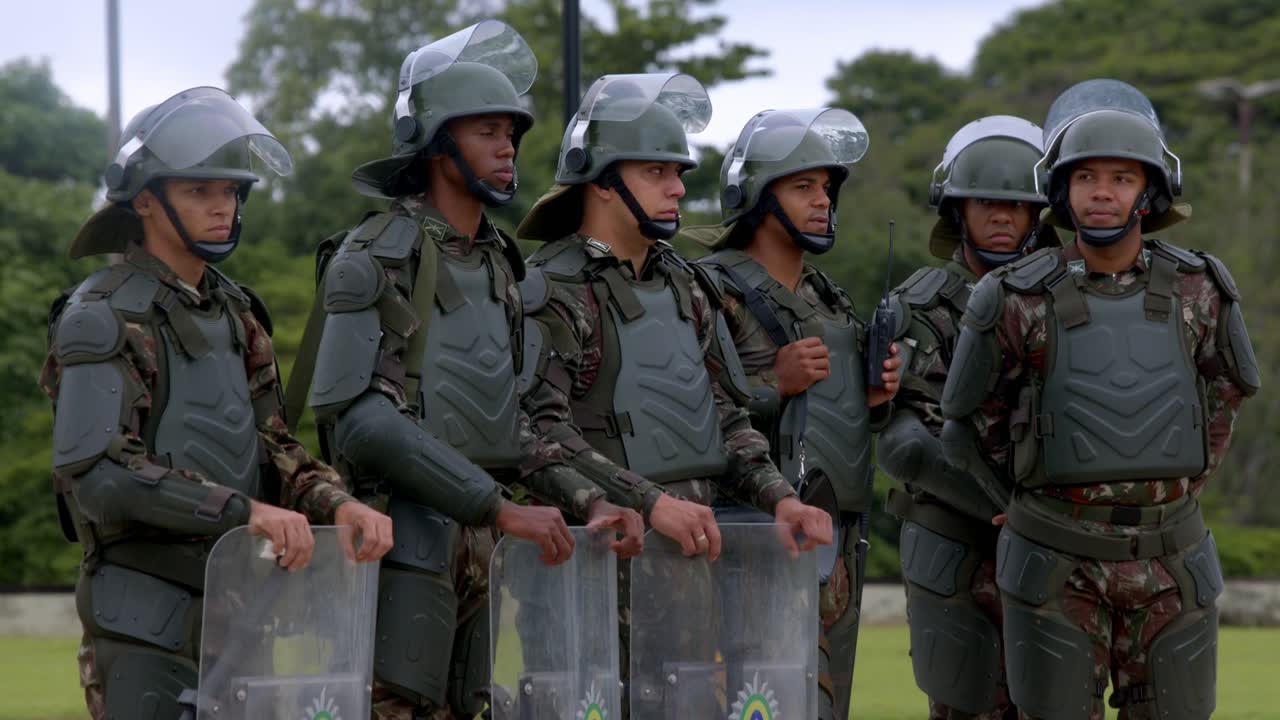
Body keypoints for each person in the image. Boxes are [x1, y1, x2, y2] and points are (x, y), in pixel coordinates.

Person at [291, 21, 642, 720]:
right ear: (437, 144)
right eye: (487, 131)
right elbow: (357, 421)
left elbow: (517, 429)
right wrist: (498, 506)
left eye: (512, 132)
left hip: (482, 555)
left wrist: (587, 501)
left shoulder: (500, 265)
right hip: (395, 552)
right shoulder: (374, 256)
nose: (508, 147)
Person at [40, 86, 393, 720]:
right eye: (198, 191)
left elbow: (273, 444)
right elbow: (98, 474)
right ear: (144, 199)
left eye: (230, 191)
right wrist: (244, 510)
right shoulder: (101, 318)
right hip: (143, 616)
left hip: (243, 611)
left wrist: (336, 503)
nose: (221, 207)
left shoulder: (236, 313)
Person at [515, 73, 835, 715]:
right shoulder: (552, 289)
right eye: (658, 171)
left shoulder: (688, 288)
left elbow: (726, 416)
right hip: (592, 574)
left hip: (690, 573)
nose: (679, 187)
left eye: (679, 171)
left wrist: (781, 498)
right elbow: (537, 433)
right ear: (602, 181)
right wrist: (651, 501)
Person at [940, 79, 1259, 720]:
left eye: (1121, 177)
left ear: (1150, 192)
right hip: (1054, 560)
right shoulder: (1012, 297)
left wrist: (1182, 482)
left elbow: (1228, 390)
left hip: (1172, 558)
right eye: (1086, 177)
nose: (1103, 192)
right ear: (1062, 190)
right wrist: (1023, 494)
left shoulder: (1200, 288)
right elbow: (968, 421)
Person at [693, 107, 901, 719]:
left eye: (827, 189)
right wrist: (770, 384)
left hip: (836, 536)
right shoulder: (712, 289)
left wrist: (871, 403)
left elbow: (834, 422)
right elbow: (688, 416)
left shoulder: (827, 297)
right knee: (760, 701)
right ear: (757, 195)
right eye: (803, 186)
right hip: (750, 537)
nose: (822, 202)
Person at [878, 114, 1057, 720]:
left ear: (1039, 214)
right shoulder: (923, 305)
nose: (1003, 217)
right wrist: (1005, 507)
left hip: (1059, 545)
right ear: (957, 211)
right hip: (959, 543)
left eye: (1017, 204)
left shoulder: (1066, 297)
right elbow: (905, 444)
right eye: (986, 202)